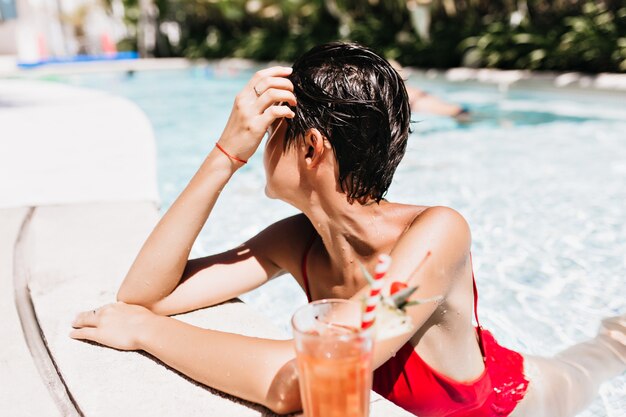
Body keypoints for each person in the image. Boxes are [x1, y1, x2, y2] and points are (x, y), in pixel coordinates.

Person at [70, 42, 626, 417]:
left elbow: (301, 383)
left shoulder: (438, 231)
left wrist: (146, 333)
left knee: (592, 363)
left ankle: (613, 339)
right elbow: (143, 295)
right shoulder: (295, 240)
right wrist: (223, 156)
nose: (257, 144)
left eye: (268, 132)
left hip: (509, 401)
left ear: (310, 147)